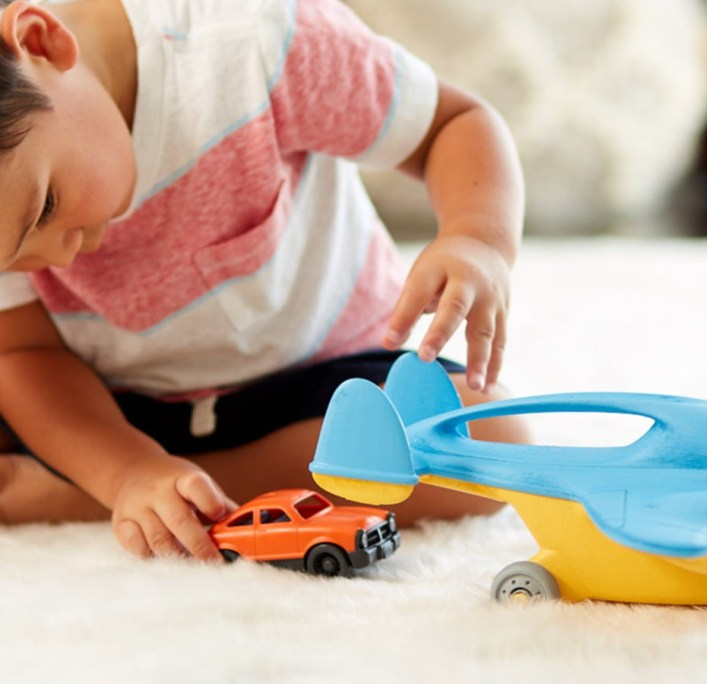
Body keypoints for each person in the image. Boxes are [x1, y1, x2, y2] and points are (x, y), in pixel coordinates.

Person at [0, 0, 527, 562]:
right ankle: (140, 486)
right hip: (117, 409)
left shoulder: (258, 41)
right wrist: (124, 466)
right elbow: (25, 352)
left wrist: (476, 238)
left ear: (41, 42)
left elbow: (453, 123)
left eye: (46, 206)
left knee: (491, 440)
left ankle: (116, 495)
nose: (58, 256)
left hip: (320, 382)